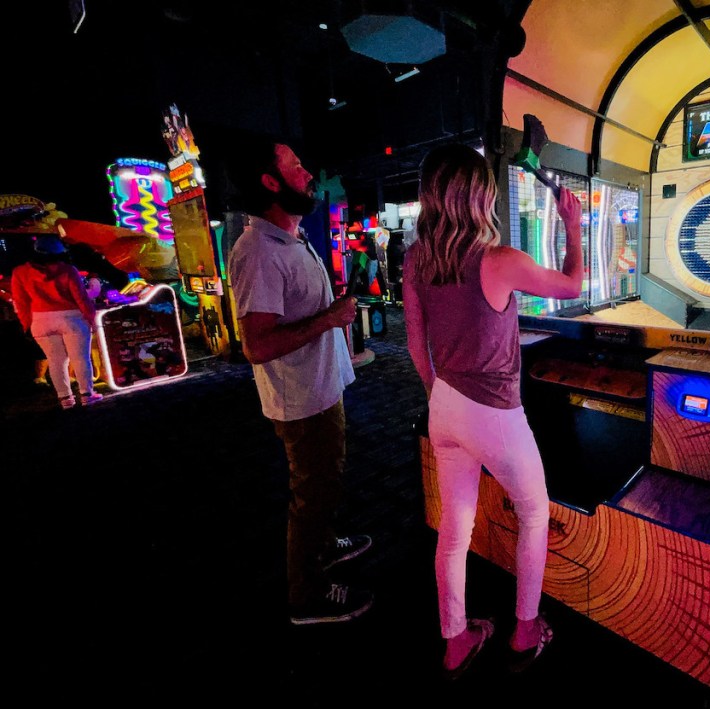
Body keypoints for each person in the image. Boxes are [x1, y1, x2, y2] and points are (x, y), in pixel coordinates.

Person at [403, 144, 583, 678]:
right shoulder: (498, 259)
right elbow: (572, 286)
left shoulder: (418, 257)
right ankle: (524, 628)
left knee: (455, 531)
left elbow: (417, 345)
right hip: (496, 414)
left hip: (444, 405)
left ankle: (456, 638)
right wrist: (572, 225)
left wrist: (443, 394)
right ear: (479, 195)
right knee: (534, 511)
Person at [226, 137, 373, 625]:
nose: (308, 174)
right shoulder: (259, 251)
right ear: (271, 181)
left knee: (325, 484)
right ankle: (306, 596)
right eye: (296, 166)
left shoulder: (290, 237)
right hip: (301, 400)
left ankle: (326, 545)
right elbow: (257, 346)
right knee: (311, 494)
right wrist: (329, 320)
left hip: (320, 386)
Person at [10, 234, 103, 409]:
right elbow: (82, 299)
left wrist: (26, 325)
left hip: (40, 320)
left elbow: (21, 303)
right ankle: (87, 395)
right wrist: (92, 319)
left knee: (55, 360)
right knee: (80, 358)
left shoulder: (19, 272)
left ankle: (65, 399)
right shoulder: (68, 269)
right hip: (72, 318)